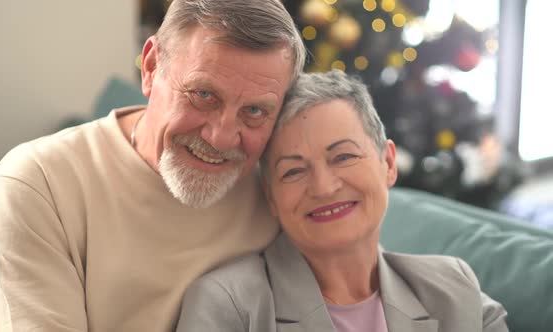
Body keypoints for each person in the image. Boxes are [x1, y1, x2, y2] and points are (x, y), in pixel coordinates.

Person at [0, 1, 306, 331]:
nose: (221, 138)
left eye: (254, 112)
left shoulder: (283, 192)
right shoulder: (38, 184)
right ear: (150, 67)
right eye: (203, 95)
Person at [176, 70, 509, 332]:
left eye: (344, 157)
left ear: (388, 164)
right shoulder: (228, 304)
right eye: (292, 172)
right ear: (271, 196)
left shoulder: (453, 288)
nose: (323, 187)